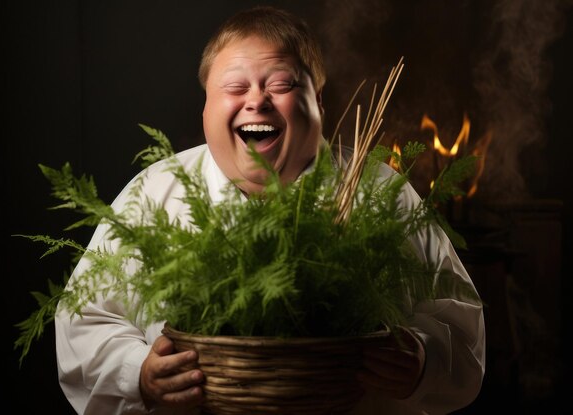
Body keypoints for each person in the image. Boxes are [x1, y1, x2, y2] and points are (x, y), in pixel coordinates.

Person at [55, 5, 485, 415]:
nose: (256, 101)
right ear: (206, 104)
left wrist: (424, 359)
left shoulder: (380, 193)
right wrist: (139, 373)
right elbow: (83, 322)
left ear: (319, 102)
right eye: (235, 87)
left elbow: (464, 327)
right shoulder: (155, 192)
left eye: (280, 86)